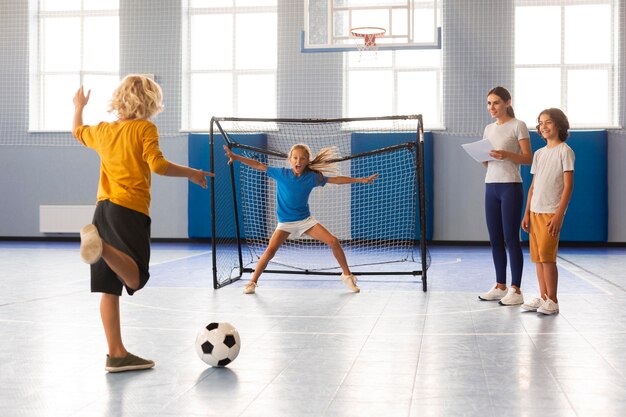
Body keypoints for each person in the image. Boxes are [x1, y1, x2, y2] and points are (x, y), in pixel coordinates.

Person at [72, 75, 213, 372]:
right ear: (150, 102)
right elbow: (158, 165)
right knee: (136, 278)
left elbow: (77, 131)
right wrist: (191, 173)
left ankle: (117, 354)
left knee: (109, 289)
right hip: (129, 211)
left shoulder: (103, 130)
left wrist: (78, 106)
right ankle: (103, 248)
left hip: (102, 211)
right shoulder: (145, 128)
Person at [223, 143, 378, 294]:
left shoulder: (312, 177)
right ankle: (252, 282)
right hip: (285, 223)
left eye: (302, 158)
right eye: (295, 158)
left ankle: (347, 276)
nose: (299, 161)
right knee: (270, 251)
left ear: (307, 161)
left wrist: (360, 180)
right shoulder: (281, 173)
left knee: (333, 241)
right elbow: (257, 165)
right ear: (290, 159)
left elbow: (336, 180)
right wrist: (236, 157)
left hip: (305, 221)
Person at [478, 86, 533, 306]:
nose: (492, 107)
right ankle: (500, 286)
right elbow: (486, 160)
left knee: (511, 238)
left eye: (496, 102)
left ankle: (516, 290)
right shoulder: (488, 128)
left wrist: (506, 154)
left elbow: (528, 158)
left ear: (507, 102)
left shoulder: (518, 125)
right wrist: (483, 158)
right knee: (494, 239)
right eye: (489, 103)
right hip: (490, 186)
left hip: (510, 186)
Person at [521, 108, 574, 315]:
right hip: (534, 212)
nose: (543, 126)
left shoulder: (565, 151)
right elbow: (533, 187)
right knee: (538, 257)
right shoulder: (539, 154)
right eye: (541, 123)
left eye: (548, 122)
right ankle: (543, 297)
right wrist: (526, 213)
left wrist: (559, 215)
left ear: (559, 125)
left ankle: (553, 300)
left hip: (551, 213)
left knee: (547, 257)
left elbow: (568, 186)